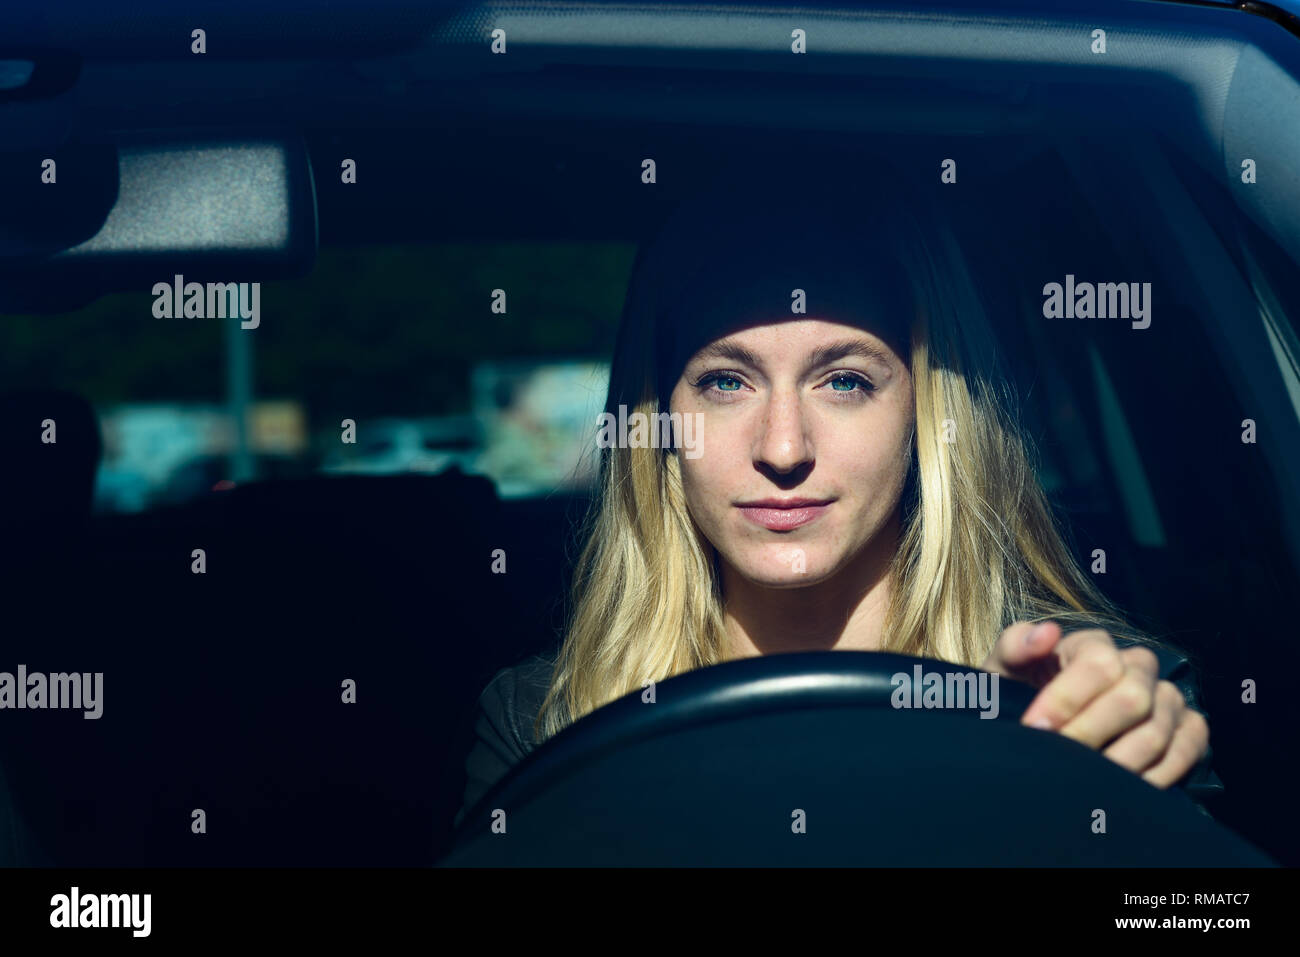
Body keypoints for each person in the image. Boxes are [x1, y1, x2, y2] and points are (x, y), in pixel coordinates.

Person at [453, 157, 1220, 831]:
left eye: (845, 381)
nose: (783, 447)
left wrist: (1091, 772)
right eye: (726, 382)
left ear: (927, 413)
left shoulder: (1091, 694)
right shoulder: (545, 720)